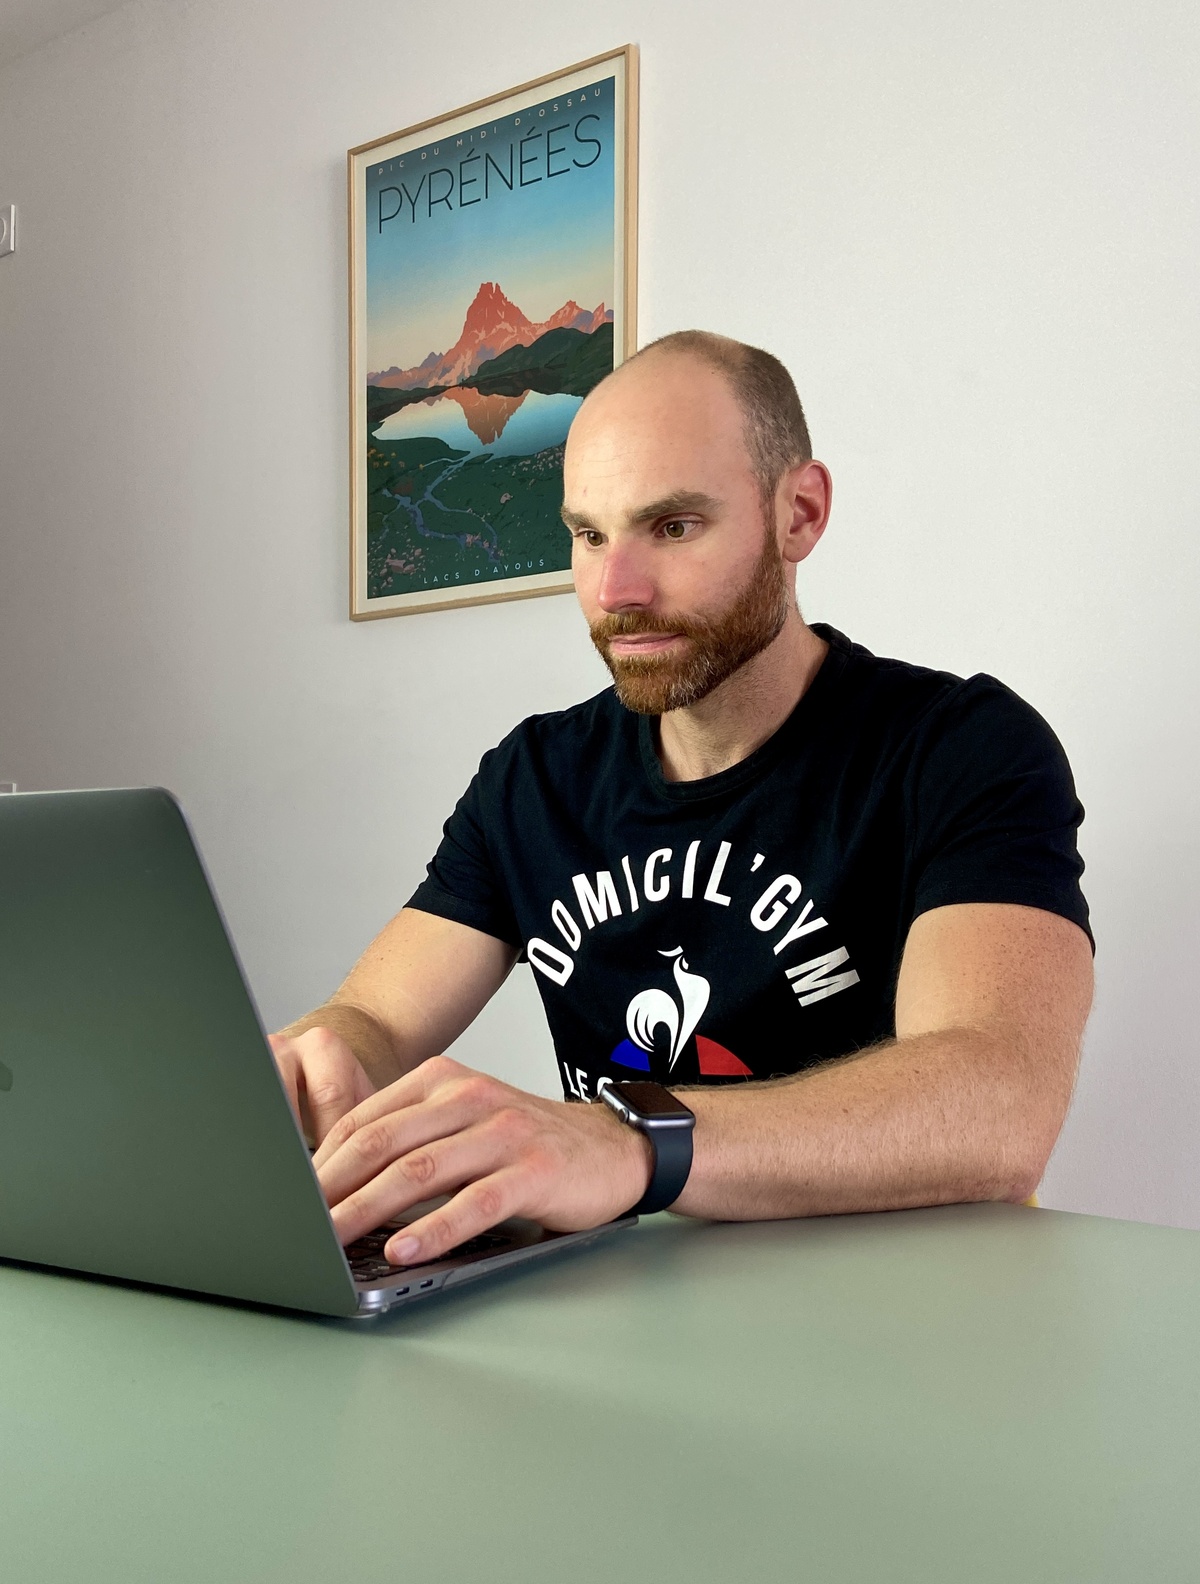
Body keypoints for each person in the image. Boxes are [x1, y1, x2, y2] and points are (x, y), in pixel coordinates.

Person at [272, 330, 1094, 1269]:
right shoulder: (535, 777)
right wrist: (322, 1053)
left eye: (672, 526)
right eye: (588, 534)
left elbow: (999, 1098)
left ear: (800, 513)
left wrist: (632, 1139)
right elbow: (376, 1022)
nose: (615, 591)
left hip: (900, 1319)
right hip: (622, 1311)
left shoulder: (962, 747)